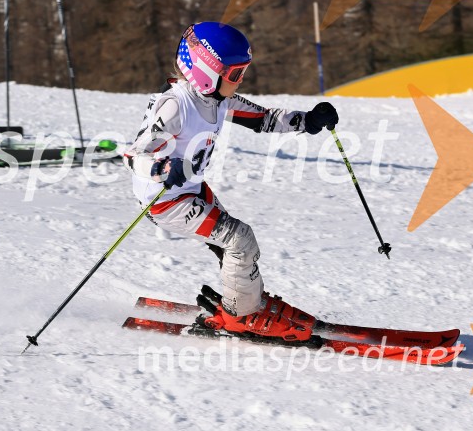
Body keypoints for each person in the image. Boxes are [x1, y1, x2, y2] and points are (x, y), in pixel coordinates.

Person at [123, 22, 339, 341]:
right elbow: (135, 155)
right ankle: (241, 316)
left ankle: (244, 301)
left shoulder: (217, 100)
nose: (240, 81)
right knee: (240, 240)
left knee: (233, 246)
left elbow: (263, 118)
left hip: (192, 189)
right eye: (236, 74)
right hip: (166, 201)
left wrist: (307, 120)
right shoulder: (175, 105)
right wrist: (164, 168)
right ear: (206, 71)